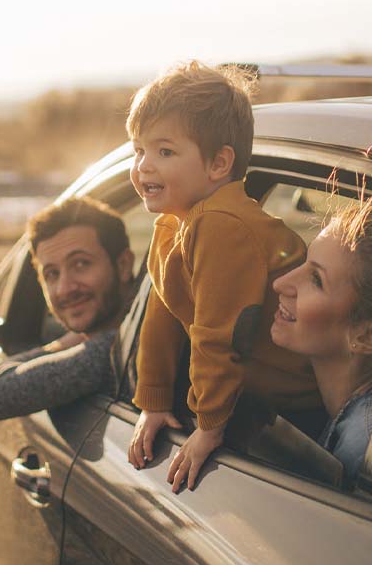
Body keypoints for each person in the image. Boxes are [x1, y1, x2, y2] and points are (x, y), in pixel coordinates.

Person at [126, 61, 321, 492]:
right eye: (138, 150)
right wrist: (154, 401)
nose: (143, 167)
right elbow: (162, 315)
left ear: (218, 163)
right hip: (257, 400)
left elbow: (217, 334)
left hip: (297, 407)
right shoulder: (176, 224)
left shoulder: (221, 225)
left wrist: (208, 426)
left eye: (165, 152)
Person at [271, 198, 372, 485]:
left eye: (316, 279)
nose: (280, 283)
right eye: (305, 262)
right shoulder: (362, 416)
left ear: (366, 336)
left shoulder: (363, 449)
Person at [0, 196, 137, 421]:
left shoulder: (118, 351)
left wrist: (64, 344)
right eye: (52, 274)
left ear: (123, 265)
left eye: (81, 264)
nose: (65, 288)